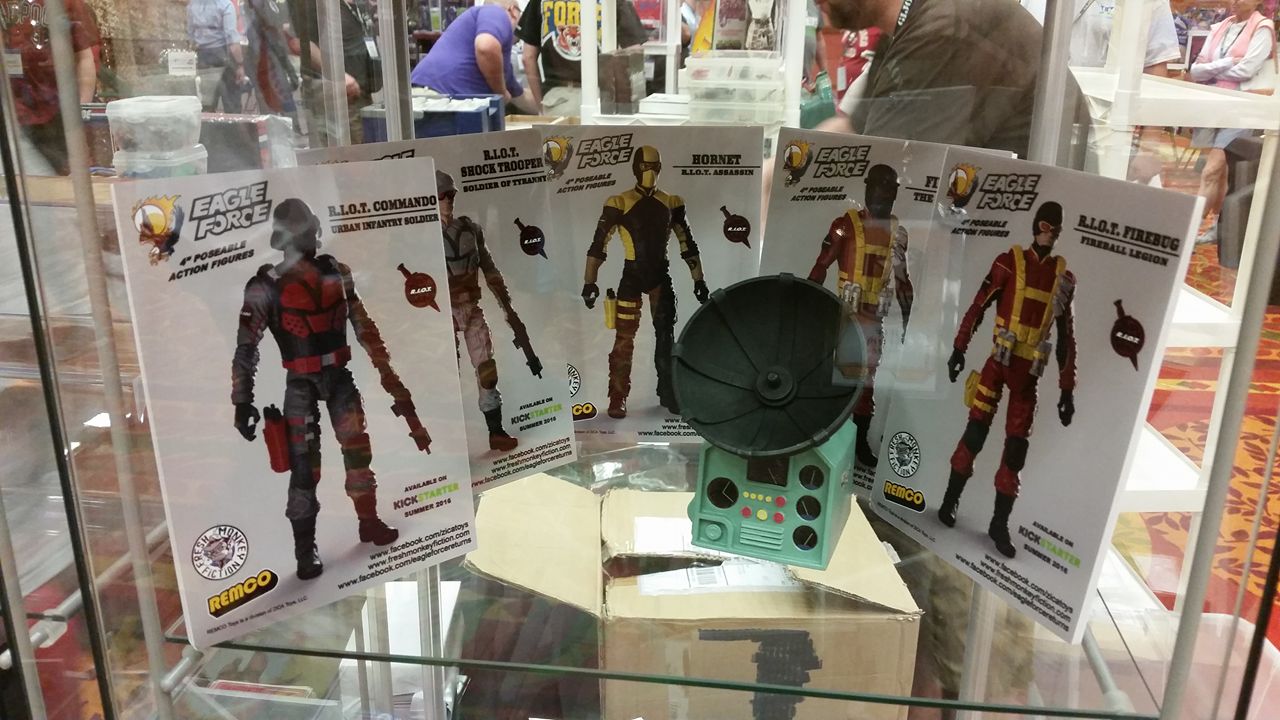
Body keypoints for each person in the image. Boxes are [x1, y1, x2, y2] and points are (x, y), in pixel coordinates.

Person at [231, 199, 431, 580]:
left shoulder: (337, 273)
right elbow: (246, 348)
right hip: (300, 383)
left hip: (339, 376)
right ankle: (305, 551)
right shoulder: (265, 286)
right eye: (303, 233)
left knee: (358, 451)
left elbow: (364, 327)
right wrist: (243, 400)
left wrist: (389, 375)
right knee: (304, 468)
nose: (311, 238)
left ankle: (368, 521)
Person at [939, 201, 1078, 559]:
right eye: (1046, 225)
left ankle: (999, 524)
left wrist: (1067, 389)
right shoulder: (1008, 263)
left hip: (1027, 377)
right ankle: (951, 500)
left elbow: (1066, 338)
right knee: (975, 432)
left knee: (1015, 452)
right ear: (1036, 226)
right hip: (997, 366)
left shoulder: (1064, 278)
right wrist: (958, 348)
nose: (1050, 233)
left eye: (1056, 228)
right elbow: (978, 305)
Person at [814, 0, 1087, 165]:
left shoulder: (941, 27)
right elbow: (853, 129)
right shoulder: (905, 25)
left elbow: (885, 166)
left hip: (1026, 216)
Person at [580, 146, 709, 419]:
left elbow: (687, 242)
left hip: (659, 276)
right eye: (645, 167)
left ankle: (668, 391)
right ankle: (618, 396)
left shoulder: (671, 202)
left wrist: (699, 280)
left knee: (665, 336)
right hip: (633, 276)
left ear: (660, 168)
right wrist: (590, 283)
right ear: (636, 168)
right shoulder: (619, 202)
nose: (650, 172)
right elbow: (599, 243)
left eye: (654, 166)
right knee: (624, 338)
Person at [806, 163, 913, 468]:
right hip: (842, 312)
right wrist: (807, 303)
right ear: (869, 188)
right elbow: (821, 264)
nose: (884, 195)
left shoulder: (897, 233)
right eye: (880, 187)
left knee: (865, 385)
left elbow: (903, 280)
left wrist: (909, 320)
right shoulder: (845, 225)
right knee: (831, 378)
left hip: (872, 318)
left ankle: (858, 444)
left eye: (889, 189)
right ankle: (826, 440)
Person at [437, 170, 543, 452]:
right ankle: (448, 446)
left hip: (471, 307)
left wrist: (507, 307)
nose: (448, 200)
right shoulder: (422, 236)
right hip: (441, 314)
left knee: (487, 370)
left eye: (451, 194)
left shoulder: (471, 229)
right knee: (445, 375)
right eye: (442, 195)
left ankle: (495, 431)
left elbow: (490, 269)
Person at [1188, 0, 1276, 244]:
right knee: (1220, 172)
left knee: (1212, 170)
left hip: (1242, 107)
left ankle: (1188, 232)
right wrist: (1228, 63)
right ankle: (1219, 227)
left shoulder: (1263, 27)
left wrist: (1211, 70)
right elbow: (1195, 70)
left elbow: (1246, 71)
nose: (1235, 1)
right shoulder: (1222, 26)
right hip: (1213, 103)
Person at [2, 0, 99, 175]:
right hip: (11, 114)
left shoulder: (67, 3)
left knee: (59, 179)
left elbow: (84, 58)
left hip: (57, 114)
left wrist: (80, 112)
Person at [517, 0, 649, 115]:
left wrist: (540, 107)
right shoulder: (613, 2)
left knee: (558, 137)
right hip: (603, 98)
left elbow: (528, 58)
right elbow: (634, 52)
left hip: (558, 100)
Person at [411, 0, 539, 113]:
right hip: (437, 100)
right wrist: (500, 92)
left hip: (435, 99)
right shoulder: (495, 12)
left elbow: (521, 98)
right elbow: (486, 47)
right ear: (513, 11)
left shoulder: (498, 68)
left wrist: (546, 109)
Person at [290, 0, 381, 145]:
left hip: (361, 91)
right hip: (336, 93)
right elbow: (300, 42)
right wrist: (338, 75)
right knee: (350, 153)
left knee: (367, 147)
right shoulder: (315, 4)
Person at [188, 0, 245, 113]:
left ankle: (208, 124)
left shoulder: (193, 5)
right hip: (223, 55)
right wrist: (240, 64)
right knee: (232, 103)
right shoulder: (225, 5)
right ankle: (231, 124)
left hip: (202, 56)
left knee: (207, 102)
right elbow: (232, 41)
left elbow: (190, 36)